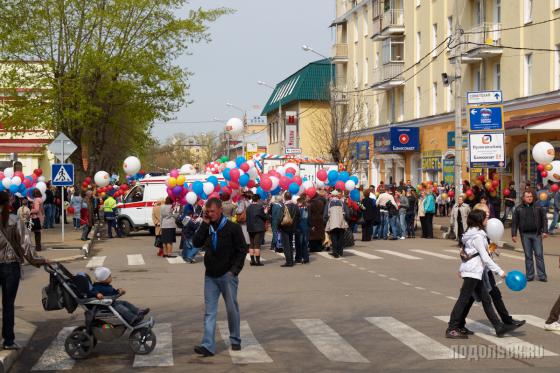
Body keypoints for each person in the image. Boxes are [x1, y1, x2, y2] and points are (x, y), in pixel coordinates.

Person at [445, 210, 517, 339]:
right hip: (473, 271)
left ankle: (498, 327)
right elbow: (485, 257)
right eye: (485, 218)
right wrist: (499, 271)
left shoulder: (472, 233)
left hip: (475, 271)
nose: (487, 221)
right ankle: (452, 328)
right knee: (463, 300)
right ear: (479, 221)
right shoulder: (478, 236)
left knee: (486, 299)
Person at [192, 198, 247, 357]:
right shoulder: (207, 226)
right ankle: (208, 345)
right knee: (209, 312)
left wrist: (234, 271)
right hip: (210, 276)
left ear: (220, 210)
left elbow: (242, 250)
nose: (210, 214)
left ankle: (235, 339)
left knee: (231, 309)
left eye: (212, 212)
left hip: (227, 275)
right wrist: (204, 224)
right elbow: (196, 242)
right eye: (207, 212)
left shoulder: (232, 228)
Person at [0, 191, 47, 350]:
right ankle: (8, 341)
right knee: (8, 304)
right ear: (9, 202)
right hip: (10, 266)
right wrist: (38, 260)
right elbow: (25, 246)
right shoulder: (14, 220)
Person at [512, 190, 548, 282]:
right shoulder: (519, 208)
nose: (529, 198)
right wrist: (514, 234)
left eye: (531, 196)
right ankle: (530, 276)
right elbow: (515, 222)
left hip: (536, 234)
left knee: (539, 255)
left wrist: (545, 231)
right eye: (527, 196)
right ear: (523, 198)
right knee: (528, 256)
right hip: (525, 235)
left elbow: (544, 219)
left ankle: (542, 276)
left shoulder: (538, 207)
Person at [324, 190, 349, 258]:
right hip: (341, 222)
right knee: (340, 237)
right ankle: (340, 252)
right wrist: (346, 219)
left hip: (332, 222)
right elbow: (347, 213)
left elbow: (326, 214)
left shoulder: (329, 203)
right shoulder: (342, 202)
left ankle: (335, 252)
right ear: (338, 195)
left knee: (333, 237)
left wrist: (325, 221)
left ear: (332, 195)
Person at [278, 192, 300, 267]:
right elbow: (298, 216)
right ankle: (291, 259)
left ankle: (289, 261)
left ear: (285, 197)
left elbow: (280, 218)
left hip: (285, 227)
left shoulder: (283, 206)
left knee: (286, 245)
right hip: (293, 227)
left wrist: (279, 226)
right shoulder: (295, 206)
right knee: (290, 244)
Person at [246, 194, 267, 266]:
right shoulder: (260, 207)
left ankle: (252, 261)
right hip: (258, 228)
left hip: (250, 227)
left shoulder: (248, 207)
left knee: (251, 244)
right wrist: (266, 212)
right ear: (258, 200)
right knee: (257, 245)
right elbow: (264, 217)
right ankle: (258, 261)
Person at [295, 195, 310, 264]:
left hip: (299, 228)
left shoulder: (299, 210)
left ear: (300, 203)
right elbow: (307, 220)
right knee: (304, 244)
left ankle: (299, 258)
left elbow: (298, 219)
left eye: (297, 203)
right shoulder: (306, 209)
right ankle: (305, 258)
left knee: (299, 244)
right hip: (305, 228)